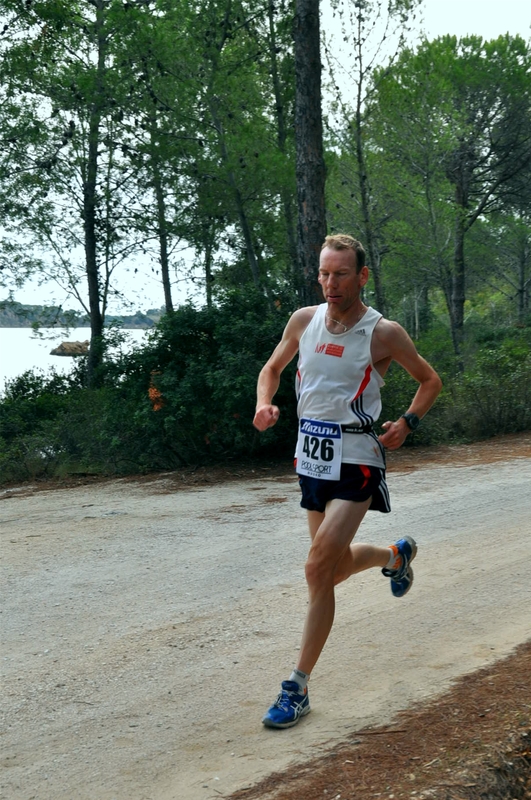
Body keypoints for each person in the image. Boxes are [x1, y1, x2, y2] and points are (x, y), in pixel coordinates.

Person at [253, 233, 442, 729]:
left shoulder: (383, 333)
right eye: (323, 273)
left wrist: (407, 422)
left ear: (362, 276)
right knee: (329, 572)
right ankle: (394, 557)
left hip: (358, 455)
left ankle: (296, 687)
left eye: (340, 274)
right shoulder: (304, 320)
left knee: (317, 568)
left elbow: (430, 380)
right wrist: (264, 403)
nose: (330, 283)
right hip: (311, 456)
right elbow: (271, 368)